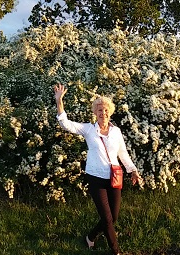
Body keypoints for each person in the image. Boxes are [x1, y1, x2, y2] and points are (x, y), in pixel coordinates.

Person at [53, 84, 141, 254]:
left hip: (113, 177)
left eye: (106, 110)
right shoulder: (88, 130)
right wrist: (59, 101)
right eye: (99, 110)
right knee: (107, 219)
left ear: (110, 112)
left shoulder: (116, 132)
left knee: (113, 218)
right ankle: (116, 251)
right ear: (95, 112)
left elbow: (123, 153)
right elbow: (65, 123)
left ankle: (90, 237)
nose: (103, 113)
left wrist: (133, 170)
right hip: (95, 178)